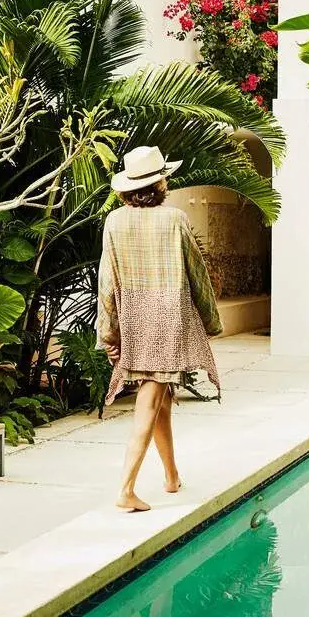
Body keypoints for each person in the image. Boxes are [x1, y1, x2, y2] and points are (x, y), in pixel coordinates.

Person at [97, 145, 222, 512]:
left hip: (134, 317)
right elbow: (197, 274)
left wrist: (108, 334)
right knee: (150, 401)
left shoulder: (114, 221)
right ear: (159, 183)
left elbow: (107, 281)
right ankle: (126, 489)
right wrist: (212, 321)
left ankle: (171, 476)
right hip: (168, 317)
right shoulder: (175, 219)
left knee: (161, 401)